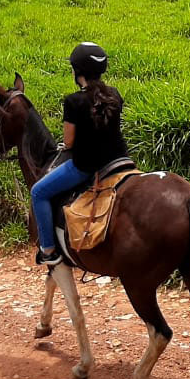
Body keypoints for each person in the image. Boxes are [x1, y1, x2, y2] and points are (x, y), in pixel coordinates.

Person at [30, 42, 130, 265]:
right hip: (119, 160)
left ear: (77, 71)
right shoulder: (114, 94)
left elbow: (69, 141)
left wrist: (67, 146)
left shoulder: (74, 101)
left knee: (38, 192)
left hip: (86, 166)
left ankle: (48, 251)